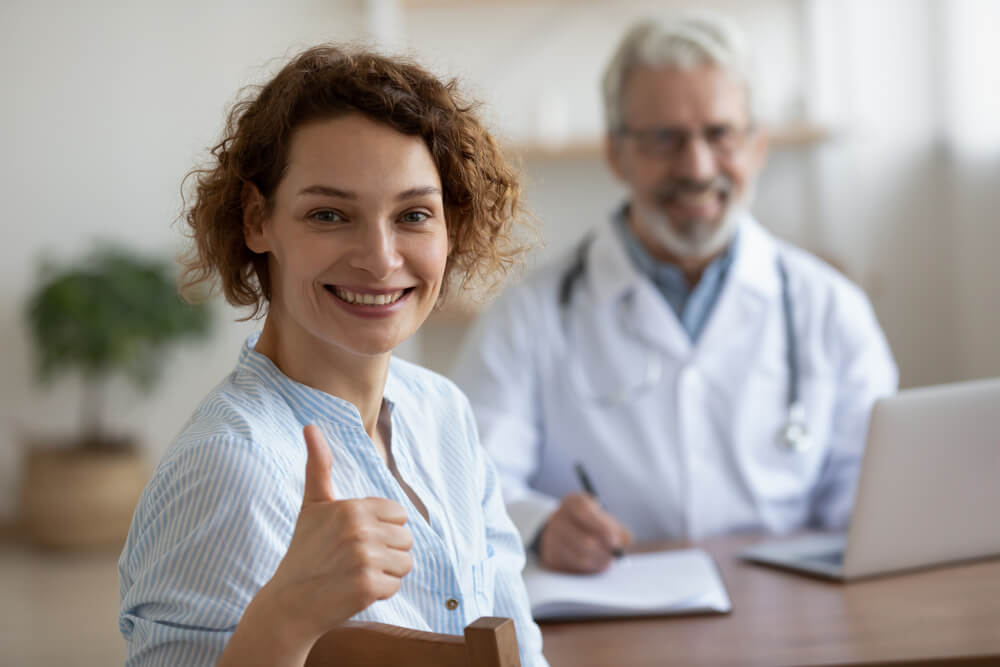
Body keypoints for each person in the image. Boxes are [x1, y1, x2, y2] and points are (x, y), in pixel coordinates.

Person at [117, 45, 547, 666]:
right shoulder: (232, 465)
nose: (379, 258)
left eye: (414, 214)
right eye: (329, 214)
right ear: (258, 220)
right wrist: (287, 614)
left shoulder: (443, 413)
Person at [452, 13, 898, 575]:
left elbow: (870, 506)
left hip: (792, 623)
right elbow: (472, 482)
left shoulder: (831, 310)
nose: (697, 166)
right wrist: (539, 527)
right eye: (665, 138)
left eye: (720, 134)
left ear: (756, 146)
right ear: (617, 153)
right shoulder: (528, 315)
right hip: (610, 622)